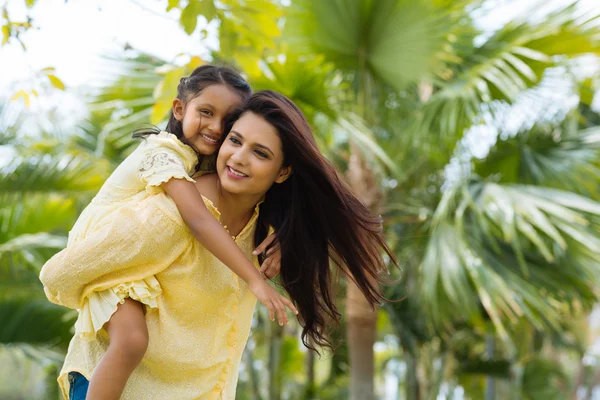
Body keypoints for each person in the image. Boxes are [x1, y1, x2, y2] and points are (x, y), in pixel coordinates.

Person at [41, 90, 395, 399]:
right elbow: (60, 273)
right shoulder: (169, 217)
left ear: (282, 171)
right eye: (235, 141)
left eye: (260, 153)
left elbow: (310, 215)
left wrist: (286, 237)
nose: (239, 158)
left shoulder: (262, 229)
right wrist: (118, 298)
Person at [39, 68, 296, 400]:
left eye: (227, 121)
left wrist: (285, 235)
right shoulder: (164, 154)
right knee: (131, 341)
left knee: (131, 340)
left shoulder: (201, 164)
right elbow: (200, 220)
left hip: (132, 267)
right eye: (206, 112)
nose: (216, 128)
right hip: (107, 260)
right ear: (179, 109)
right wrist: (255, 280)